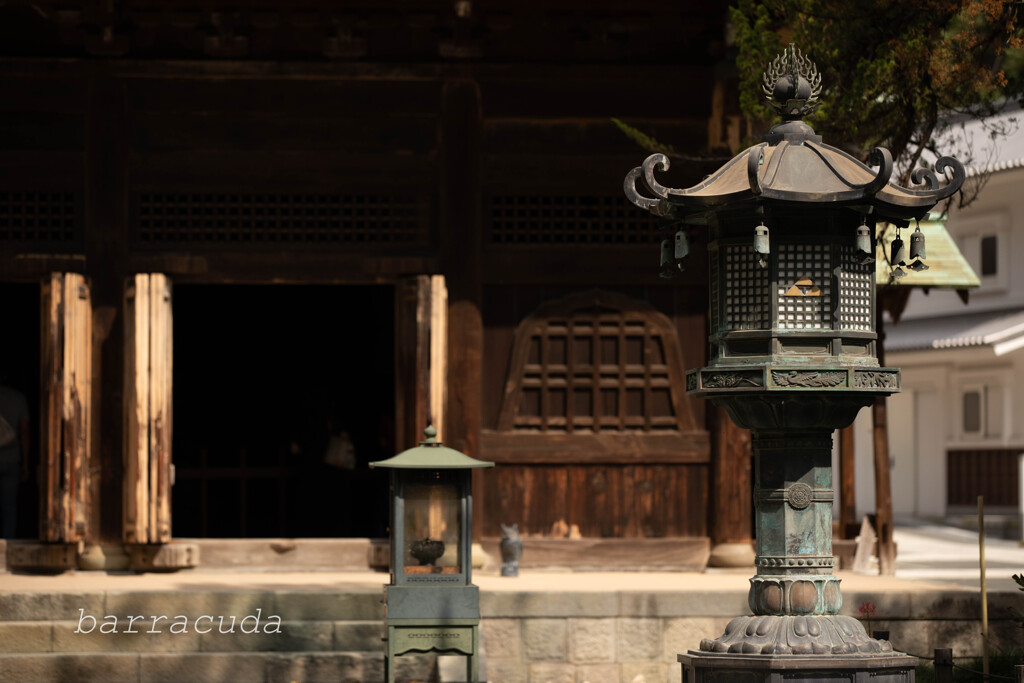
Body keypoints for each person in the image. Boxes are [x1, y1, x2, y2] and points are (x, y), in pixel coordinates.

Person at [0, 376, 29, 539]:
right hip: (12, 459)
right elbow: (24, 432)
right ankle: (8, 543)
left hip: (11, 459)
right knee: (9, 507)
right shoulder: (18, 399)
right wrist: (25, 464)